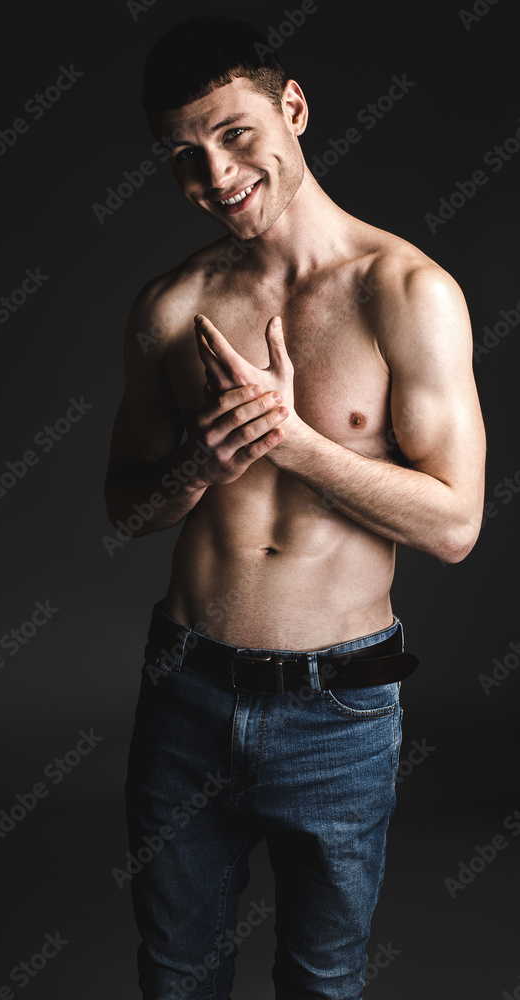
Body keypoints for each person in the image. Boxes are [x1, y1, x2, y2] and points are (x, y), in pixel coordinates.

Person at [104, 16, 485, 1000]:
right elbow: (126, 508)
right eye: (184, 155)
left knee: (323, 981)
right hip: (185, 688)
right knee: (177, 974)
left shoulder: (406, 292)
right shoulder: (174, 307)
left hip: (339, 709)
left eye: (234, 134)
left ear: (295, 109)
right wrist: (199, 461)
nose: (216, 174)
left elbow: (454, 524)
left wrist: (298, 444)